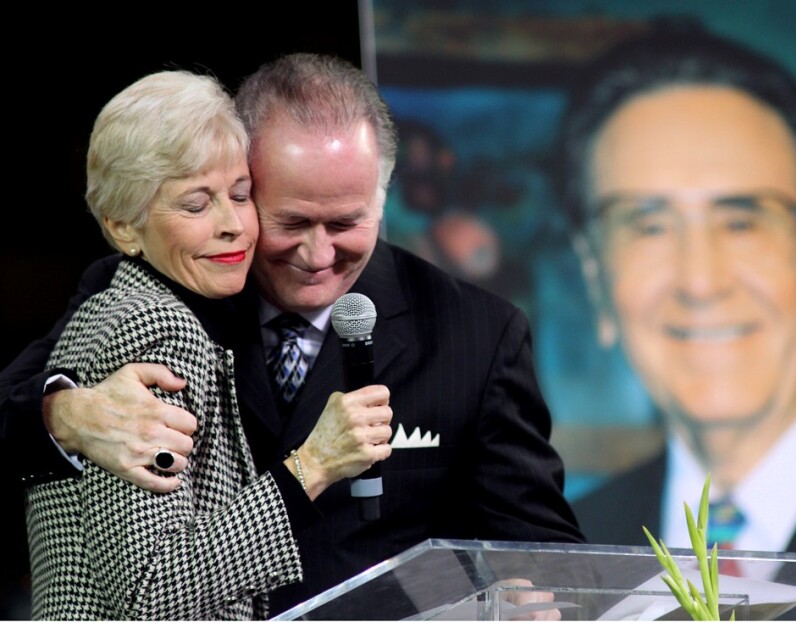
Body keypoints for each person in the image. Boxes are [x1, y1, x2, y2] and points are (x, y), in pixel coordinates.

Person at [1, 53, 583, 615]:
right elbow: (12, 409)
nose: (318, 253)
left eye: (346, 223)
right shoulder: (165, 291)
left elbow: (544, 550)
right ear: (248, 182)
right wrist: (68, 415)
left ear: (383, 199)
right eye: (292, 222)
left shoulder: (475, 333)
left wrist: (530, 598)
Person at [21, 69, 393, 619]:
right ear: (124, 227)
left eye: (241, 196)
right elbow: (153, 593)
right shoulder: (154, 330)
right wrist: (312, 465)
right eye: (195, 205)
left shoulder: (144, 310)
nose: (233, 226)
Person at [561, 26, 796, 555]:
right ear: (596, 280)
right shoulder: (560, 559)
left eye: (742, 222)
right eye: (648, 226)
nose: (701, 282)